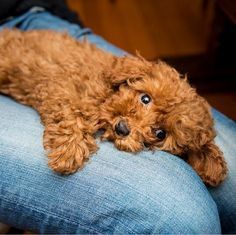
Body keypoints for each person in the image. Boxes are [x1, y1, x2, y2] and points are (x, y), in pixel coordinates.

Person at [0, 1, 235, 233]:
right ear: (129, 78)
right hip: (9, 47)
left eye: (159, 133)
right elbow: (54, 89)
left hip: (38, 11)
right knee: (182, 220)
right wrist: (72, 128)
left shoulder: (136, 86)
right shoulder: (111, 78)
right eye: (144, 99)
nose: (129, 125)